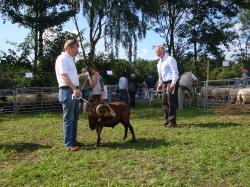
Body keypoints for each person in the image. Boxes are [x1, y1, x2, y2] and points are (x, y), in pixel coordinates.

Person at [55, 39, 81, 151]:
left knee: (74, 118)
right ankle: (69, 144)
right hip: (67, 91)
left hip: (72, 90)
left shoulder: (69, 59)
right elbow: (64, 76)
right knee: (69, 118)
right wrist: (74, 88)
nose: (77, 51)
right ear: (69, 47)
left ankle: (73, 140)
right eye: (76, 48)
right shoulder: (62, 59)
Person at [156, 45, 179, 127]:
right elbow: (160, 75)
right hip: (164, 83)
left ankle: (172, 122)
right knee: (164, 102)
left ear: (162, 51)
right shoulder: (159, 62)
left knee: (171, 102)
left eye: (157, 51)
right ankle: (166, 120)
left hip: (170, 82)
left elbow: (175, 72)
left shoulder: (170, 59)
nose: (156, 53)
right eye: (156, 52)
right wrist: (159, 84)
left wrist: (173, 83)